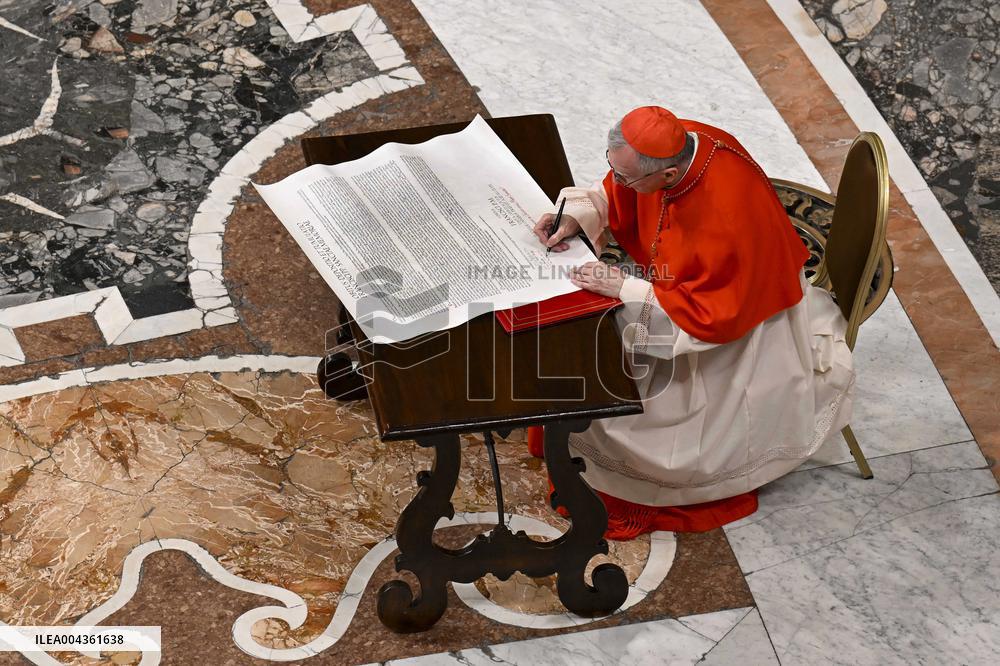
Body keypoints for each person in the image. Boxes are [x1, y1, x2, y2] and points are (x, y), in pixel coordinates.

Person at [529, 106, 855, 540]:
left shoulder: (726, 217)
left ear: (666, 177)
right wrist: (582, 214)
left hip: (738, 330)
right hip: (698, 292)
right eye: (614, 164)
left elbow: (707, 321)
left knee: (616, 403)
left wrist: (624, 288)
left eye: (627, 178)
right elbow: (614, 187)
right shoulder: (675, 145)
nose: (618, 181)